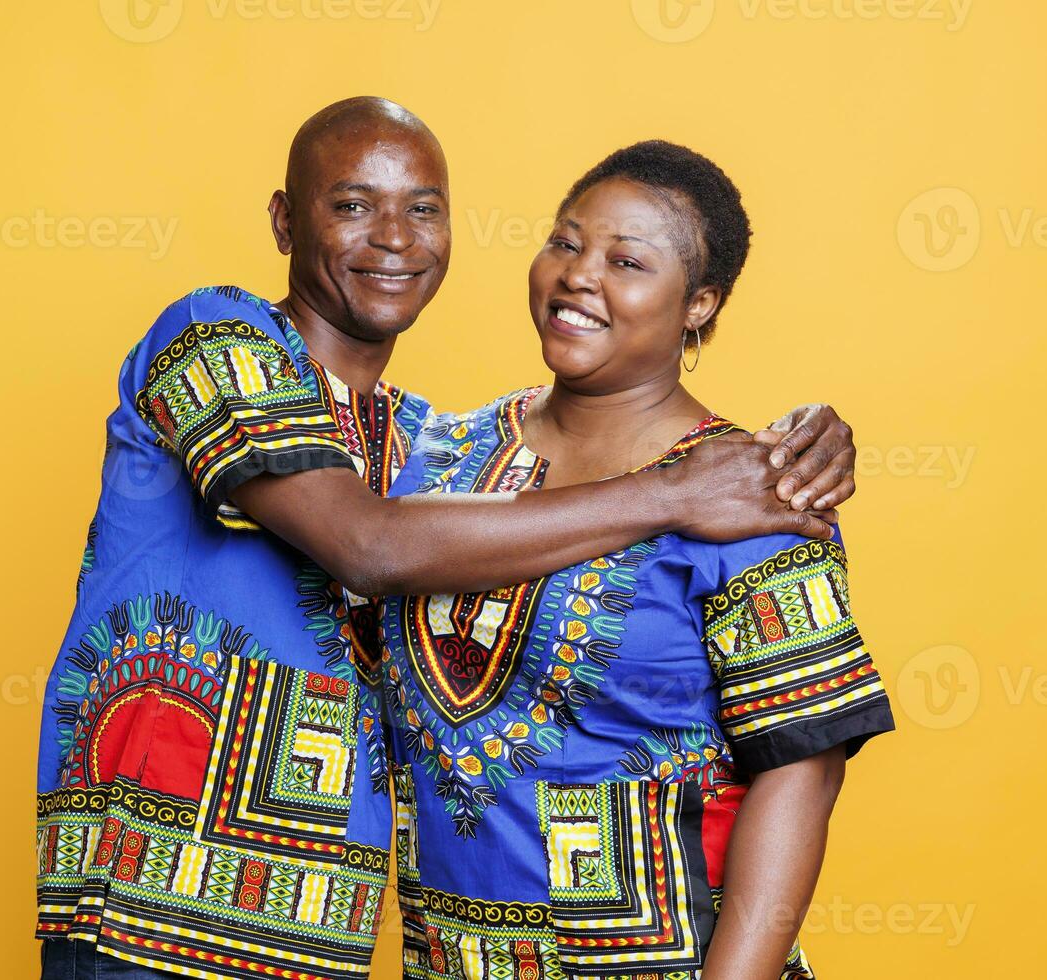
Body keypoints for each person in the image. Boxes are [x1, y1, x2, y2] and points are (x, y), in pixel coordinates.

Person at [35, 99, 862, 980]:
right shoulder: (221, 343)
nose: (393, 237)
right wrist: (671, 493)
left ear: (699, 304)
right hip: (148, 907)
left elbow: (804, 768)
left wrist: (798, 443)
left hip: (342, 932)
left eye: (423, 209)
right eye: (351, 204)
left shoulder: (432, 449)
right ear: (285, 219)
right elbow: (371, 546)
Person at [380, 141, 894, 980]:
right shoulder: (440, 454)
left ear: (698, 303)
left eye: (627, 260)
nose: (579, 275)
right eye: (565, 241)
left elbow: (802, 774)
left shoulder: (754, 496)